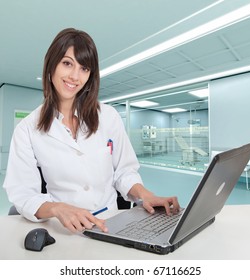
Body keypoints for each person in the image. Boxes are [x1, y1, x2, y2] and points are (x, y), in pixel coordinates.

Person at [3, 28, 180, 233]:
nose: (75, 76)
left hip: (112, 223)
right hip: (64, 229)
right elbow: (24, 194)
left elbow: (124, 171)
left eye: (84, 68)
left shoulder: (108, 116)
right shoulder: (27, 129)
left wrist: (144, 194)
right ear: (51, 65)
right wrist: (57, 208)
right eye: (67, 63)